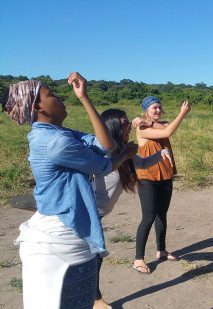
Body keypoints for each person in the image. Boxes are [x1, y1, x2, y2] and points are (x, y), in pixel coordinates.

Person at [4, 73, 136, 309]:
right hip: (61, 237)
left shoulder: (59, 134)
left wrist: (84, 97)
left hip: (59, 230)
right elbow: (104, 163)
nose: (60, 97)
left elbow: (106, 145)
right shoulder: (57, 143)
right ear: (37, 107)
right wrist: (124, 155)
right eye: (51, 94)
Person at [93, 109, 171, 308]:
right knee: (94, 256)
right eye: (124, 124)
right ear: (111, 127)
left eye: (128, 123)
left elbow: (142, 162)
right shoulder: (99, 149)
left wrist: (160, 154)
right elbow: (103, 167)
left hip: (98, 213)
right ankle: (96, 299)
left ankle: (93, 298)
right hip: (87, 212)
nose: (128, 127)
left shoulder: (124, 150)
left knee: (92, 257)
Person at [132, 96, 191, 274]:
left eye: (159, 107)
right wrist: (182, 113)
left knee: (162, 215)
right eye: (153, 108)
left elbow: (165, 127)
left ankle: (162, 250)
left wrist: (149, 121)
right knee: (148, 217)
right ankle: (138, 259)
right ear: (145, 110)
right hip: (147, 177)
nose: (157, 111)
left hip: (165, 175)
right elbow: (167, 132)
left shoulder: (156, 123)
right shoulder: (142, 128)